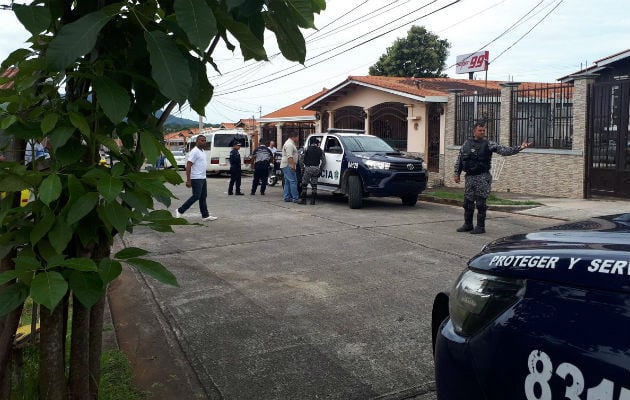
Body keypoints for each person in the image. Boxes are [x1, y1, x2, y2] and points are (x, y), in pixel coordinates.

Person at [454, 122, 532, 234]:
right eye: (479, 130)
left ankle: (480, 227)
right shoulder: (466, 144)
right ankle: (468, 224)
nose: (482, 132)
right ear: (474, 131)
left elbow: (504, 150)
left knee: (480, 203)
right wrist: (457, 173)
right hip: (469, 177)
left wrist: (519, 148)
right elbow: (460, 160)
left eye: (483, 131)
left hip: (482, 176)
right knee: (468, 203)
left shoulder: (489, 144)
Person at [174, 135, 217, 221]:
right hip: (196, 178)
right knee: (196, 196)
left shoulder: (202, 151)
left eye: (205, 140)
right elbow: (189, 165)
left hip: (203, 177)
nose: (204, 142)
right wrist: (188, 180)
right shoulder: (194, 151)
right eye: (202, 140)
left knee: (203, 197)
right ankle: (180, 210)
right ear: (197, 141)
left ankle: (205, 216)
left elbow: (201, 164)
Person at [298, 137, 325, 205]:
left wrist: (302, 167)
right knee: (314, 185)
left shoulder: (306, 149)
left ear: (310, 142)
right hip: (316, 168)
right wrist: (320, 169)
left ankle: (303, 200)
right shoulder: (320, 150)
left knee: (304, 184)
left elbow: (301, 159)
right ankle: (313, 201)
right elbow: (324, 161)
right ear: (316, 143)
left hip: (308, 168)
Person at [280, 132, 300, 203]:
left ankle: (287, 197)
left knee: (287, 182)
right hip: (288, 165)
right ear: (294, 137)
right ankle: (295, 198)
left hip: (286, 165)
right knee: (293, 181)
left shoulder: (290, 143)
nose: (298, 139)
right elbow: (290, 156)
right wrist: (293, 166)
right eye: (297, 137)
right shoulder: (289, 144)